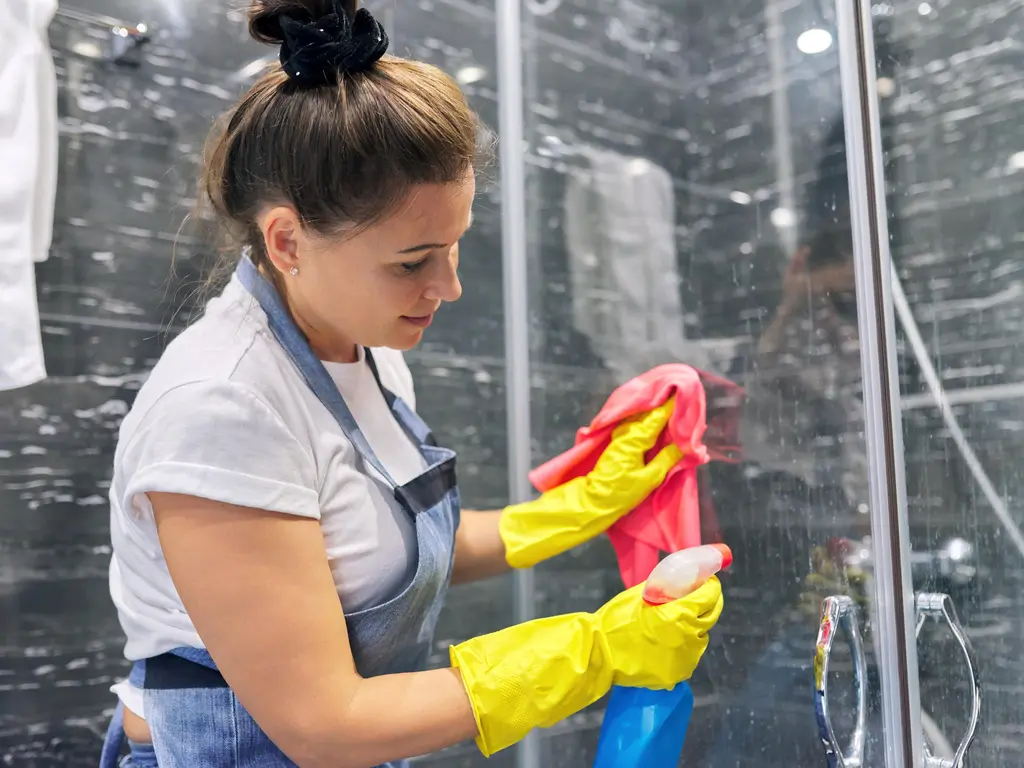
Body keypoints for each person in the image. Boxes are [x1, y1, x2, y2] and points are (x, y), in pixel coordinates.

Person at [97, 2, 724, 766]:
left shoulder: (365, 345)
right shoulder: (223, 407)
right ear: (287, 240)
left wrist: (581, 508)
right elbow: (324, 724)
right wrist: (593, 651)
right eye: (413, 260)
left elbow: (387, 549)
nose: (449, 286)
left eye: (454, 248)